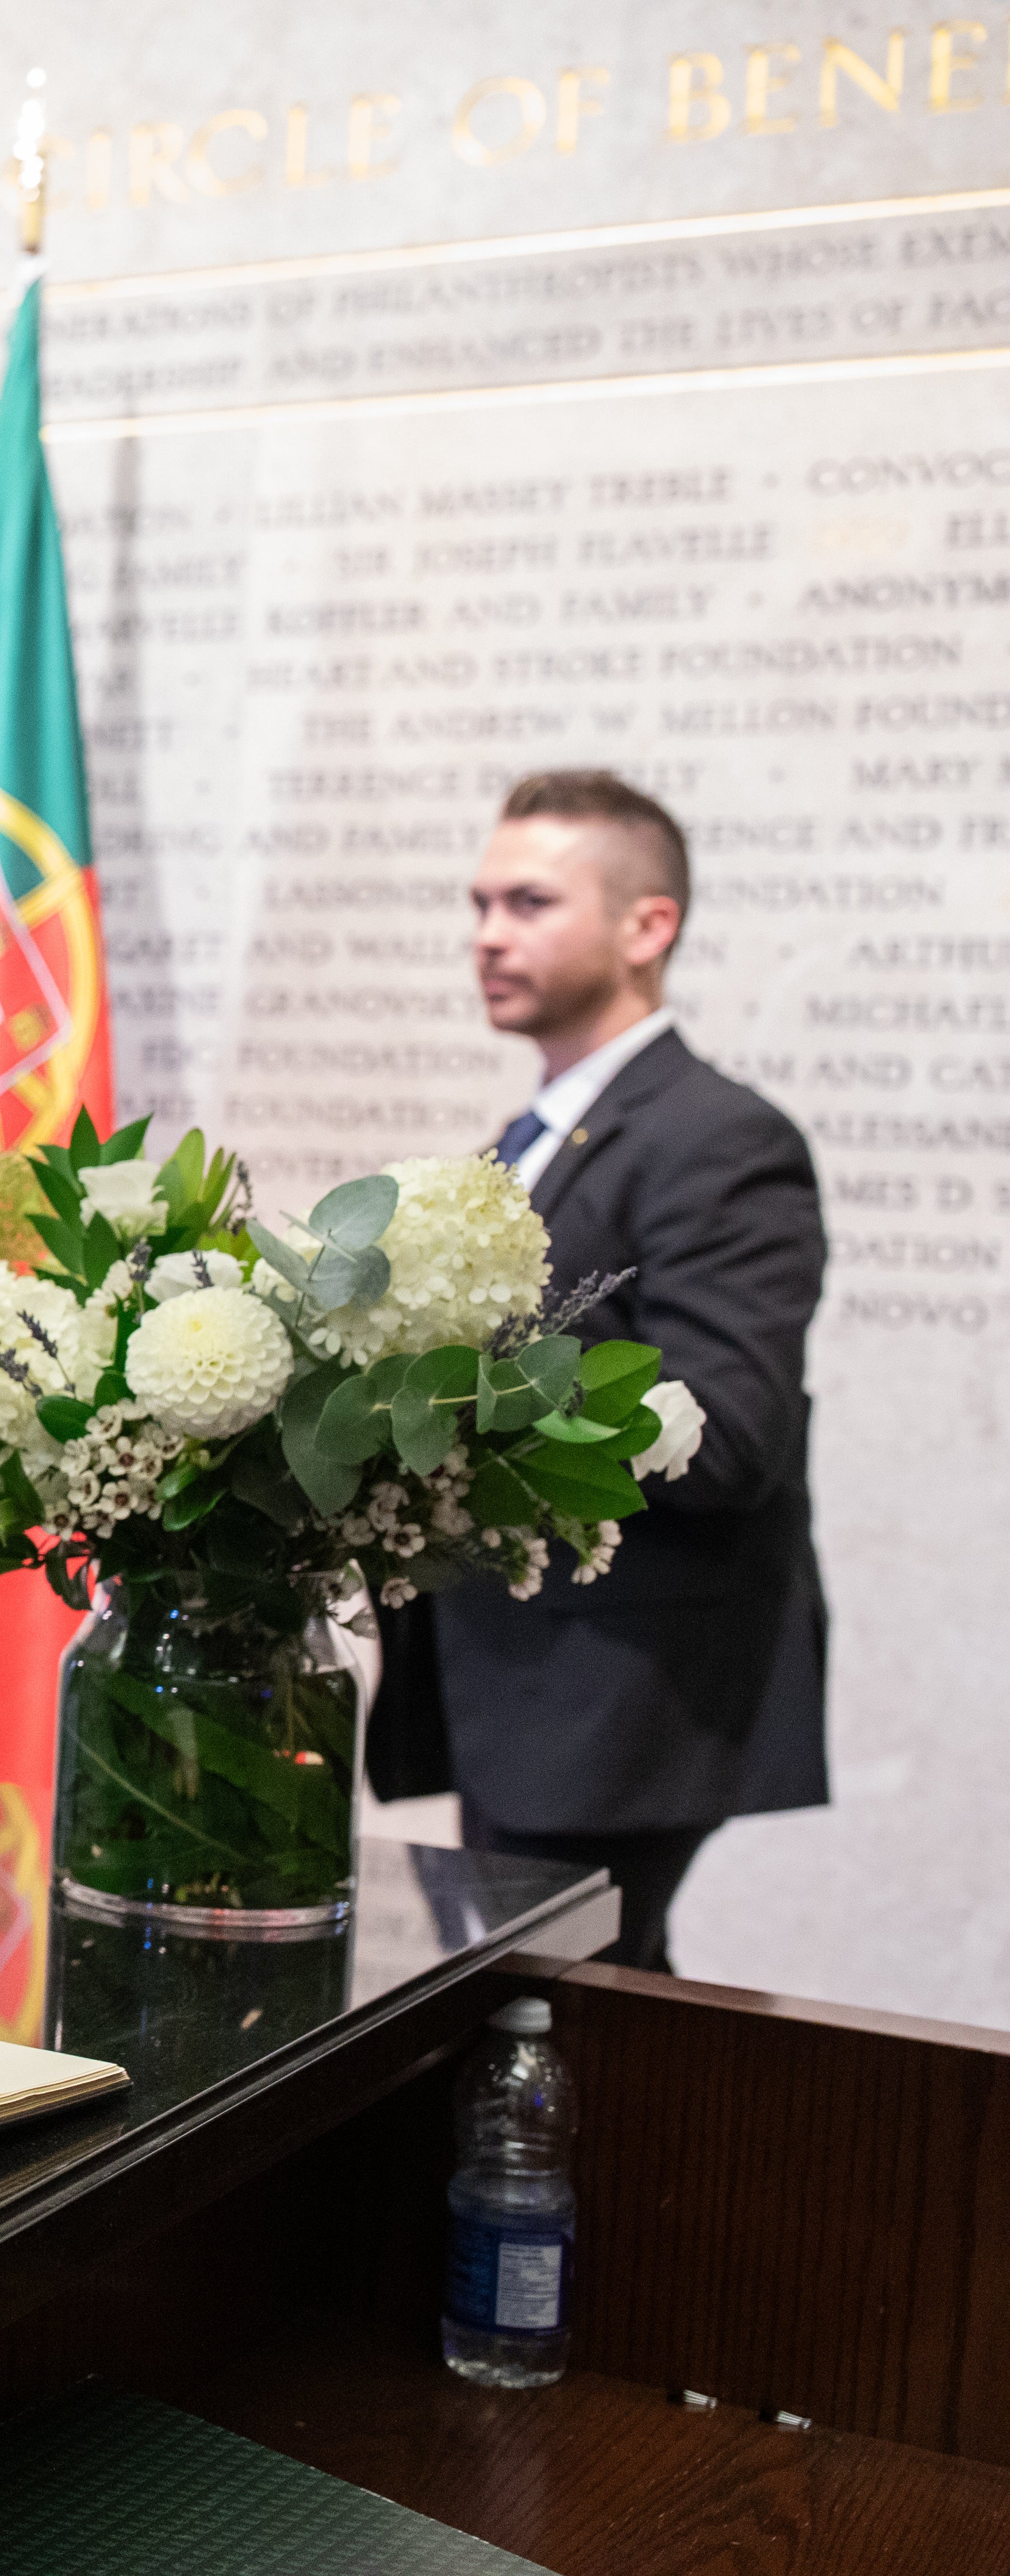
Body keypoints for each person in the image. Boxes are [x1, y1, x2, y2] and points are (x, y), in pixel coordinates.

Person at [369, 769, 828, 1974]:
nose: (487, 935)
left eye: (528, 902)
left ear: (647, 926)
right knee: (562, 2022)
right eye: (479, 903)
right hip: (516, 1679)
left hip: (622, 1695)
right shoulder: (523, 1143)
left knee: (581, 2022)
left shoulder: (718, 1137)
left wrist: (463, 1384)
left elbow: (729, 1432)